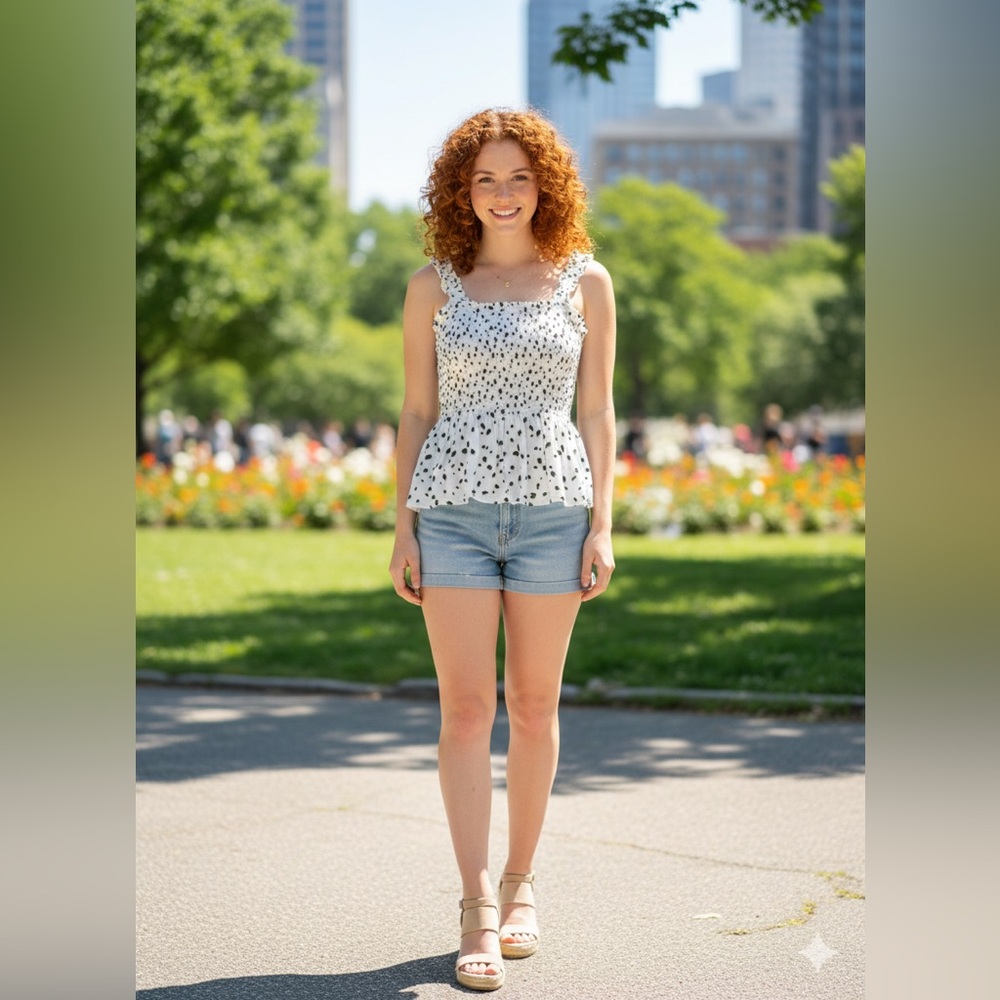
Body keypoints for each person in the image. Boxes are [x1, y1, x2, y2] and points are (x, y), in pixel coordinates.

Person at [388, 108, 616, 992]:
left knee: (531, 706)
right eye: (485, 178)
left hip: (557, 512)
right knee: (464, 711)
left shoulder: (585, 281)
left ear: (545, 185)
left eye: (519, 176)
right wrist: (401, 524)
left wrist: (603, 522)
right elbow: (416, 412)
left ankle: (523, 885)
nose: (503, 192)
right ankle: (476, 903)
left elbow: (595, 411)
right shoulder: (433, 286)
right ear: (461, 191)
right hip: (449, 515)